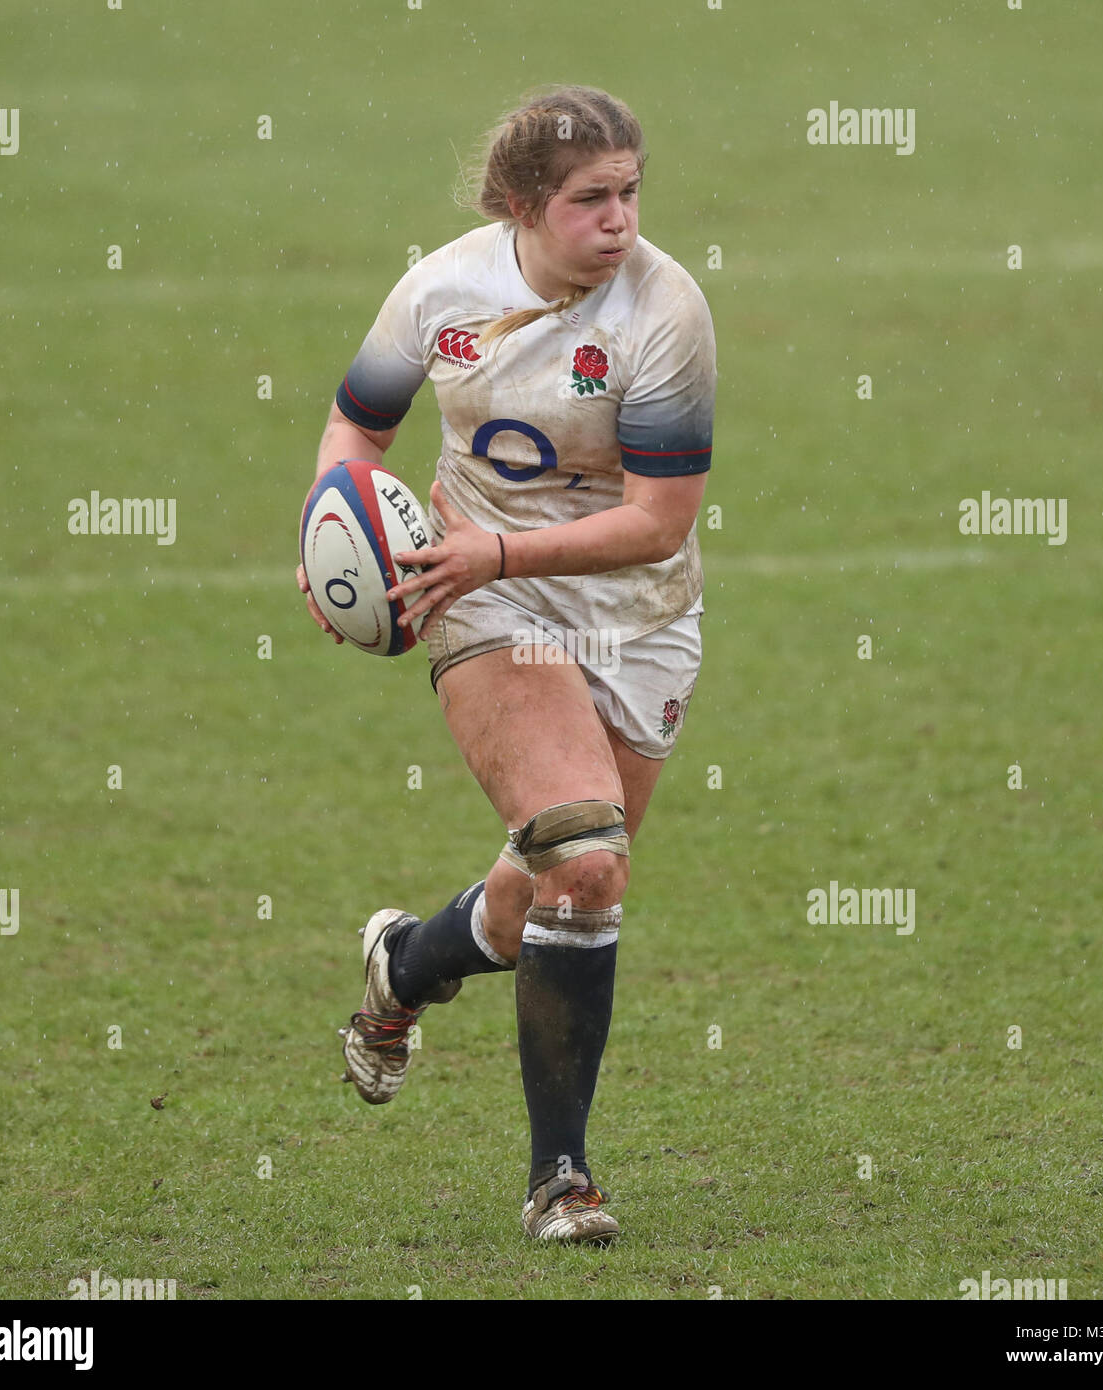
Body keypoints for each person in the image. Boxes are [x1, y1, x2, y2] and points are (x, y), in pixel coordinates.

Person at [297, 84, 717, 1244]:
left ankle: (404, 963)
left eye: (631, 192)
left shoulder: (665, 311)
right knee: (585, 863)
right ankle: (561, 1181)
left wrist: (498, 548)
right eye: (592, 200)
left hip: (638, 615)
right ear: (525, 206)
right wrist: (335, 521)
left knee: (546, 887)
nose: (621, 219)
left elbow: (659, 521)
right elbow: (357, 423)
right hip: (483, 595)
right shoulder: (441, 290)